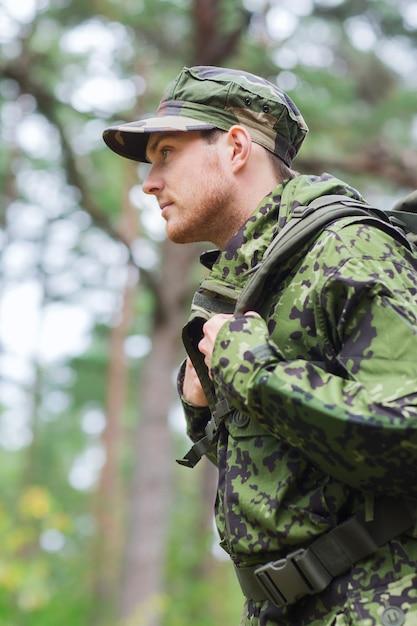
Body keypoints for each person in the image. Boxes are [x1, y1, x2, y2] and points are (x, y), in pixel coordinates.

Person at [103, 66, 417, 626]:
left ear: (237, 147)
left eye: (165, 154)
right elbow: (306, 477)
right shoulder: (253, 282)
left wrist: (250, 370)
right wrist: (207, 411)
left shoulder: (349, 249)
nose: (148, 182)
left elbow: (408, 434)